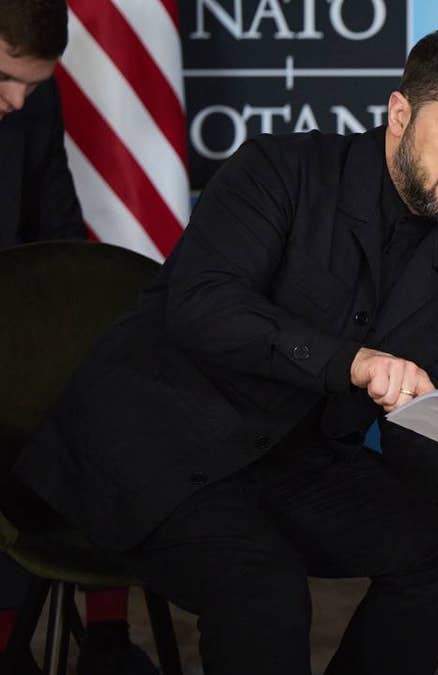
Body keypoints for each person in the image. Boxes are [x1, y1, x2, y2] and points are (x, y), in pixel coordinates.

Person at [14, 23, 438, 675]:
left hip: (286, 461)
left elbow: (415, 432)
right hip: (159, 436)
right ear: (400, 113)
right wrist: (351, 360)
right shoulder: (280, 169)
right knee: (263, 591)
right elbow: (202, 304)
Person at [0, 2, 158, 673]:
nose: (17, 100)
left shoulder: (34, 98)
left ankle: (106, 636)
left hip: (11, 335)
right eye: (4, 77)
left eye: (33, 86)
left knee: (112, 390)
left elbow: (57, 229)